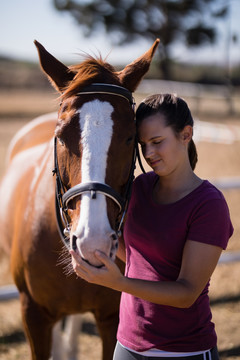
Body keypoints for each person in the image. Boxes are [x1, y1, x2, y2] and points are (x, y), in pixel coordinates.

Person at [70, 93, 233, 360]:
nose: (148, 154)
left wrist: (118, 282)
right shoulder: (140, 188)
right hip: (127, 345)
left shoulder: (208, 204)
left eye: (157, 142)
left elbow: (186, 293)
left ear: (186, 134)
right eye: (142, 144)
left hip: (184, 351)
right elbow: (134, 254)